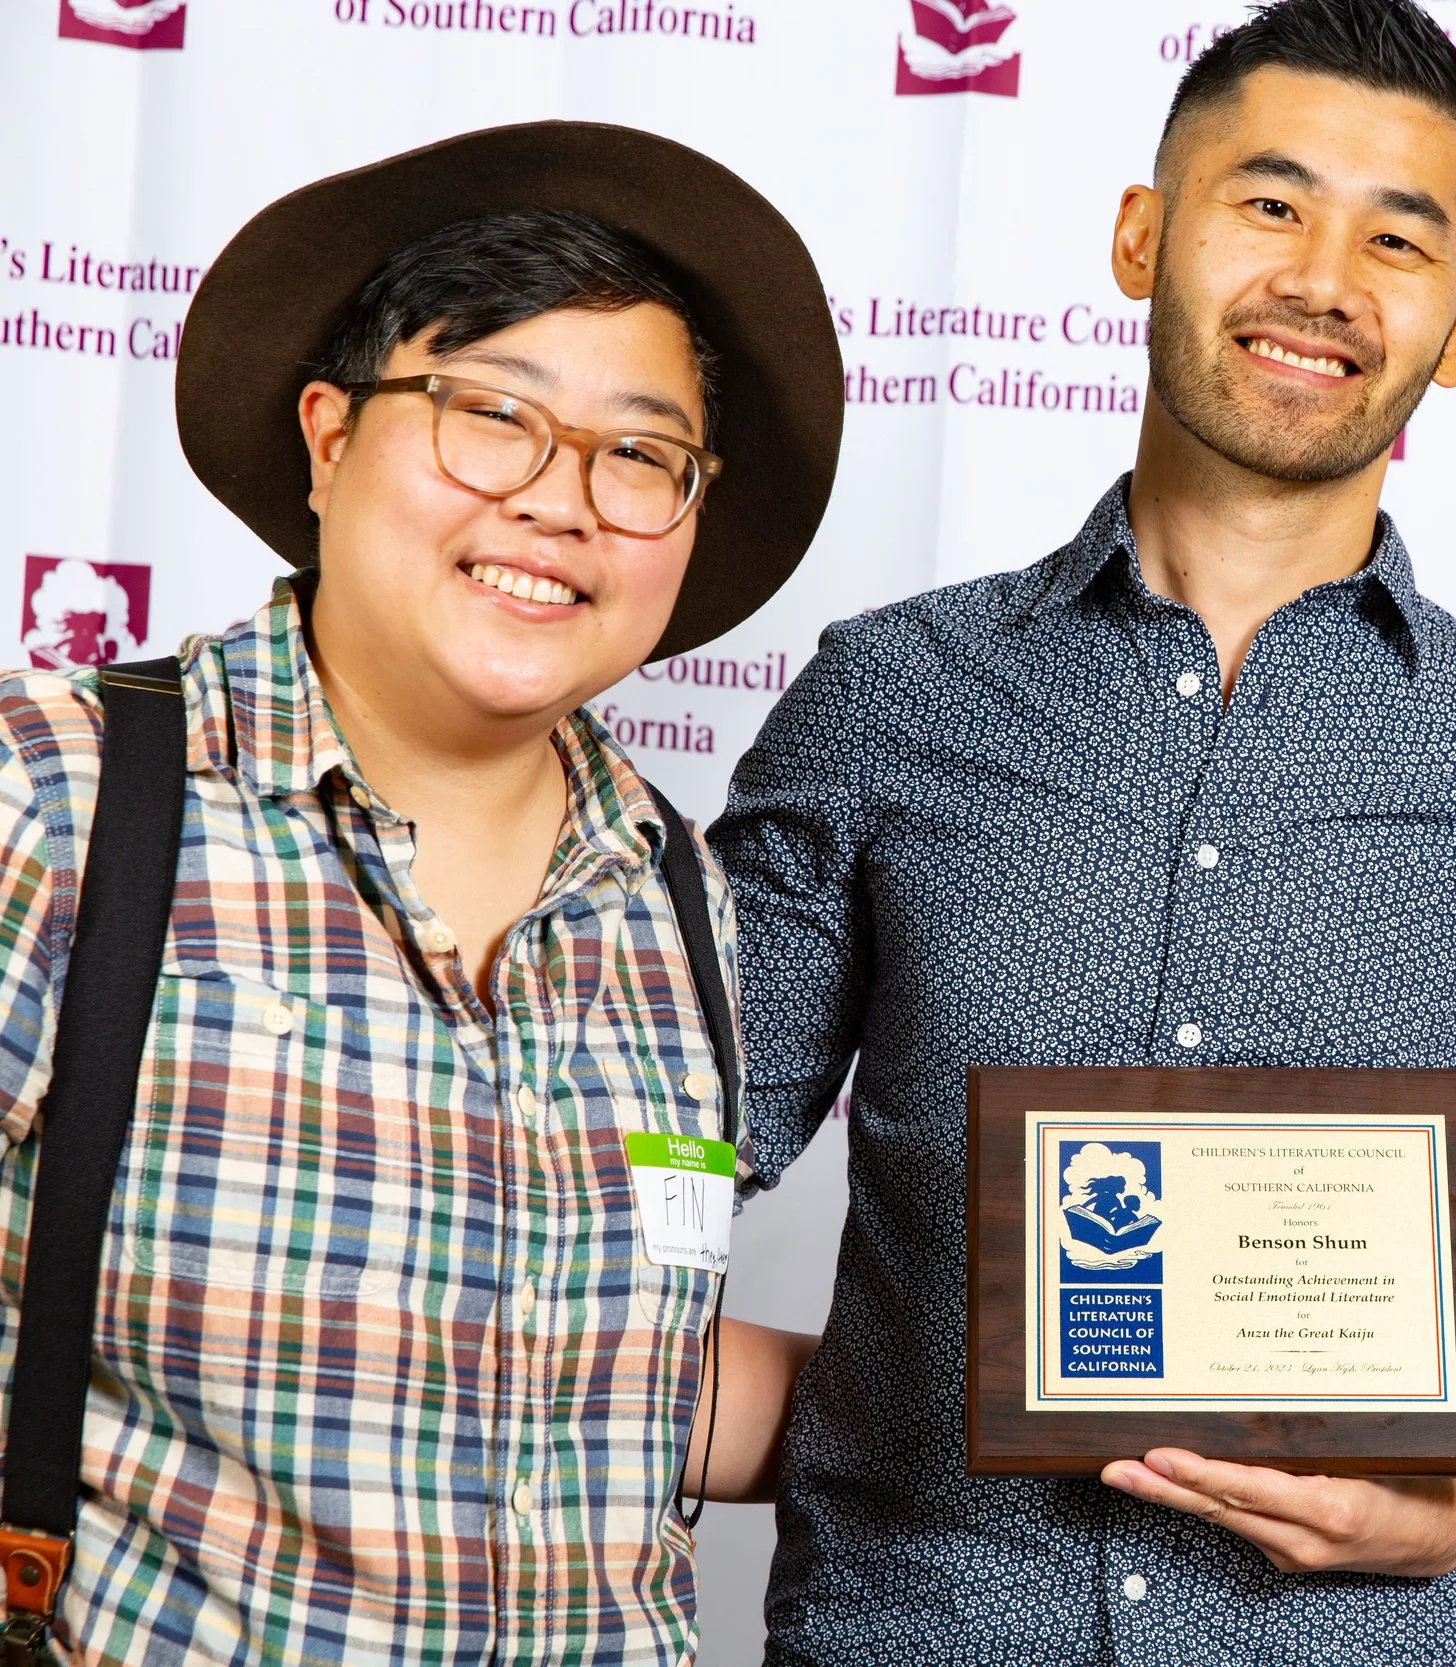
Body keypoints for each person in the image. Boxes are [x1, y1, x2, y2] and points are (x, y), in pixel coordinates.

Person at [710, 2, 1456, 1662]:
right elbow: (683, 1132)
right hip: (924, 1624)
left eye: (1398, 239)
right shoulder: (890, 694)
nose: (1323, 279)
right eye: (1270, 203)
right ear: (1141, 237)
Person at [0, 124, 840, 1662]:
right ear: (328, 438)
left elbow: (614, 1378)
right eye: (490, 414)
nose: (560, 501)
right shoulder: (59, 797)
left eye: (639, 454)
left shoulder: (679, 901)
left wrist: (1077, 1382)